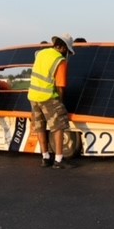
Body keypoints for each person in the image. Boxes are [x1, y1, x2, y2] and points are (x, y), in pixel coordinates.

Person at [27, 34, 75, 169]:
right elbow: (60, 85)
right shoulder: (60, 60)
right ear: (64, 47)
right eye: (68, 51)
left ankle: (45, 158)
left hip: (33, 96)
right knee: (58, 127)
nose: (68, 54)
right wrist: (60, 103)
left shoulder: (40, 53)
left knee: (40, 127)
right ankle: (59, 160)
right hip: (48, 97)